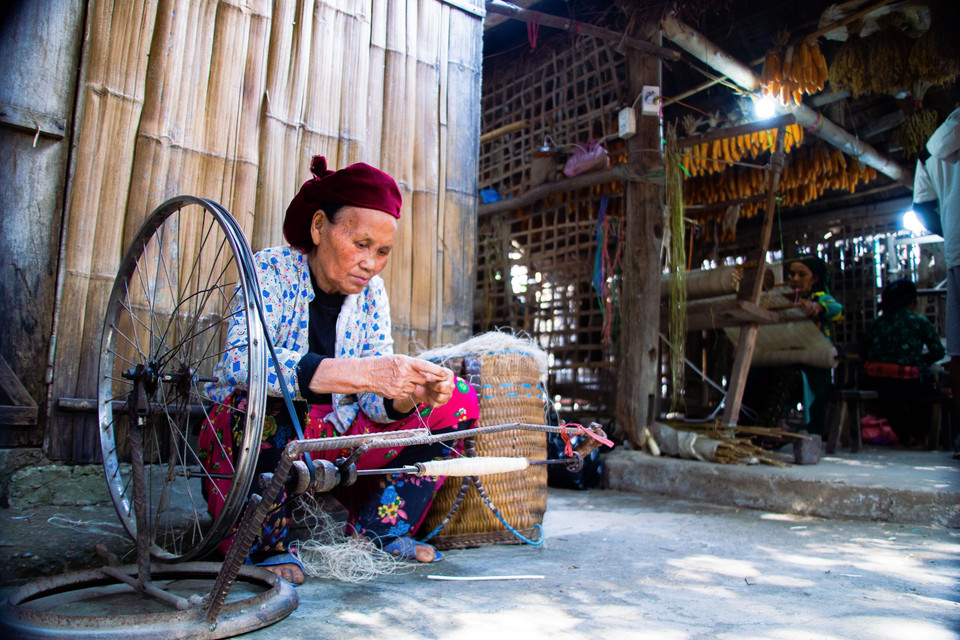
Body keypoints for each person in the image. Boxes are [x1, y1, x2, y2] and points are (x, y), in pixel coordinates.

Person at [199, 156, 479, 584]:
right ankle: (264, 545)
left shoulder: (372, 295)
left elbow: (372, 402)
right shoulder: (271, 270)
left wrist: (406, 397)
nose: (371, 262)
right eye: (361, 244)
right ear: (318, 228)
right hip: (257, 436)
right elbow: (241, 362)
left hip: (332, 438)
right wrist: (365, 373)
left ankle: (381, 532)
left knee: (458, 401)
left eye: (383, 251)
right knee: (273, 400)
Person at [750, 257, 844, 440]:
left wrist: (819, 308)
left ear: (815, 279)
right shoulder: (781, 299)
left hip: (812, 370)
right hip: (785, 361)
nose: (794, 278)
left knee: (784, 376)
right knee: (753, 374)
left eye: (802, 274)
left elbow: (838, 310)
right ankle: (747, 426)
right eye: (792, 274)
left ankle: (763, 433)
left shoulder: (819, 299)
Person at [913, 106, 960, 456]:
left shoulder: (929, 150)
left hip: (958, 252)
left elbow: (923, 207)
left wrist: (952, 227)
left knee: (958, 351)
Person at [859, 279, 945, 446]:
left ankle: (904, 435)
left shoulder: (877, 323)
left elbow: (863, 352)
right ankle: (919, 435)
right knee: (925, 389)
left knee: (892, 397)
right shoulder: (919, 321)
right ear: (912, 302)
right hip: (911, 382)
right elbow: (938, 352)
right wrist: (919, 362)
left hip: (877, 381)